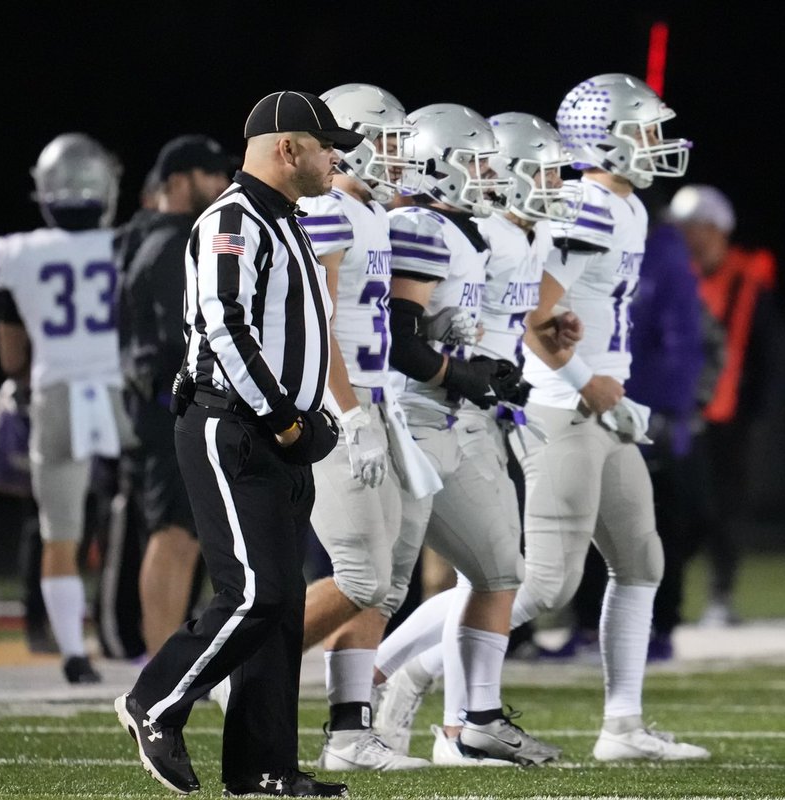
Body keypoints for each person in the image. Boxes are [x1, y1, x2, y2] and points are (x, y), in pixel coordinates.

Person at [113, 90, 361, 799]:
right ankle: (154, 702)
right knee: (255, 592)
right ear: (288, 148)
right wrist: (285, 417)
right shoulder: (234, 218)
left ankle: (262, 770)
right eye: (324, 145)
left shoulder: (288, 219)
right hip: (235, 424)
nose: (333, 158)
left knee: (281, 611)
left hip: (276, 428)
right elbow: (224, 324)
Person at [504, 72, 710, 761]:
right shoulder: (588, 205)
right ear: (608, 137)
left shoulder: (627, 208)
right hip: (562, 406)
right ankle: (396, 679)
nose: (657, 144)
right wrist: (585, 381)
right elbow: (533, 315)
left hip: (601, 404)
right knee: (544, 583)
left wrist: (605, 388)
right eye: (646, 130)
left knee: (641, 560)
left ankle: (623, 727)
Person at [372, 111, 581, 762]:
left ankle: (451, 715)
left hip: (483, 408)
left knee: (496, 571)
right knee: (381, 579)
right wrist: (468, 372)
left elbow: (506, 318)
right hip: (434, 408)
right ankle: (387, 695)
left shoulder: (516, 234)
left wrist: (540, 343)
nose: (556, 186)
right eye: (542, 173)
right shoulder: (461, 230)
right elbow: (421, 324)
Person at [293, 83, 430, 772]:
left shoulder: (369, 211)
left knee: (386, 581)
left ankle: (349, 734)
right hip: (337, 408)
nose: (403, 156)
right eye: (393, 140)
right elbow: (315, 330)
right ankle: (237, 666)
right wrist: (349, 414)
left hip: (376, 404)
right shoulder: (327, 209)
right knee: (359, 573)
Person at [0, 132, 133, 685]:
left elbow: (10, 354)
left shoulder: (18, 253)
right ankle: (139, 628)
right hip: (119, 391)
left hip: (57, 392)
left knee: (60, 529)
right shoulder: (124, 244)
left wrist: (26, 379)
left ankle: (74, 652)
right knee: (147, 513)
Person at [113, 134, 233, 656]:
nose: (224, 186)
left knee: (185, 534)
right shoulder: (173, 240)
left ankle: (169, 658)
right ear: (179, 182)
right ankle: (161, 663)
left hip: (155, 403)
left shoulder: (148, 235)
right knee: (175, 533)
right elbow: (177, 336)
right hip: (168, 405)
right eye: (211, 175)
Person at [668, 183, 776, 627]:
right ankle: (664, 599)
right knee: (678, 508)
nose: (686, 236)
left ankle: (720, 594)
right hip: (675, 411)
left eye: (694, 227)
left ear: (717, 229)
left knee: (726, 508)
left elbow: (765, 351)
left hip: (729, 415)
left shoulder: (748, 278)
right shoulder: (674, 275)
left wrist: (756, 408)